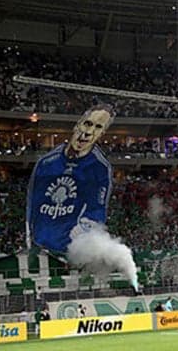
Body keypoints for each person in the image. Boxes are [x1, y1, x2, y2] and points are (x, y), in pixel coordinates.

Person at [27, 104, 116, 254]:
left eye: (98, 127)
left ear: (101, 133)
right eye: (88, 124)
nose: (89, 132)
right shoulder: (47, 162)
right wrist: (29, 236)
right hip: (39, 245)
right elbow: (33, 202)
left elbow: (97, 209)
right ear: (78, 125)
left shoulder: (99, 168)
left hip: (66, 250)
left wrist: (83, 230)